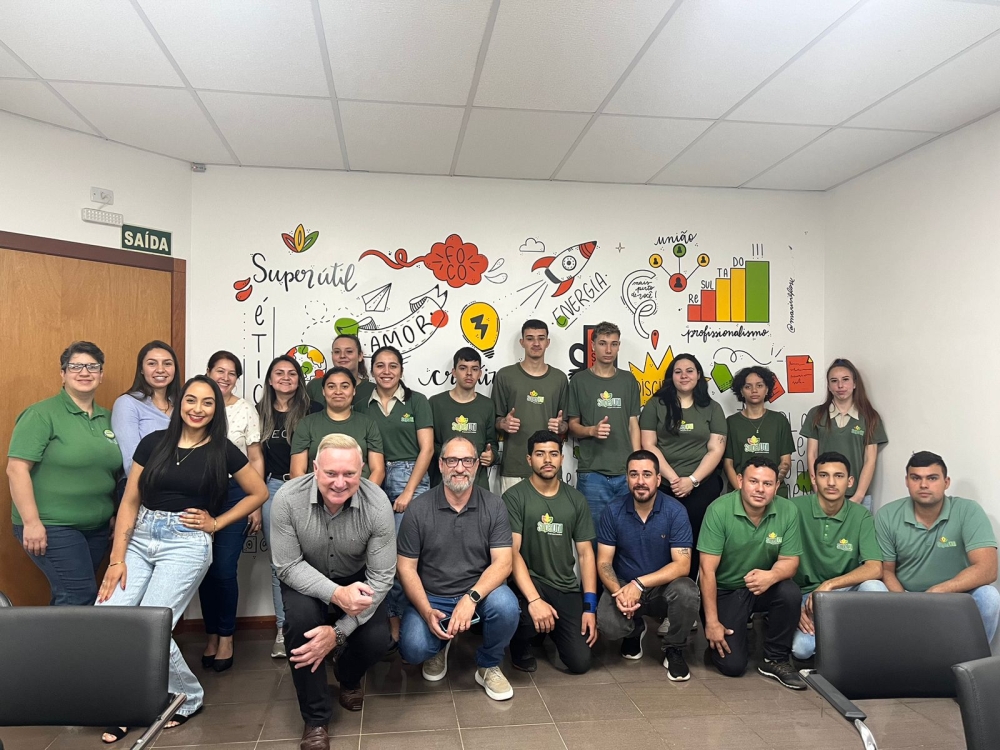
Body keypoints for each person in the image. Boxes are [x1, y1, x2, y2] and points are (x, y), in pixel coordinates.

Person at [97, 376, 268, 741]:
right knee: (110, 618)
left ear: (216, 410)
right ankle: (125, 702)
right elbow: (130, 501)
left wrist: (216, 523)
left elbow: (259, 492)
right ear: (179, 404)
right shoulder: (153, 442)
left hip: (186, 543)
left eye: (208, 402)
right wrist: (116, 559)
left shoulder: (223, 450)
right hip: (140, 537)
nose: (198, 409)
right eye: (191, 400)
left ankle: (186, 697)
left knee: (152, 627)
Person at [270, 434, 396, 749]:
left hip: (357, 577)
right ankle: (315, 719)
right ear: (315, 468)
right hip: (304, 575)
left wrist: (338, 633)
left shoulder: (378, 502)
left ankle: (347, 675)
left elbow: (381, 576)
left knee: (377, 638)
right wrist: (337, 595)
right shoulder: (287, 498)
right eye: (330, 473)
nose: (340, 483)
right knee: (300, 626)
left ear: (362, 470)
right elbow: (287, 566)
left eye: (349, 473)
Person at [397, 436, 519, 701]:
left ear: (476, 465)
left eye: (467, 461)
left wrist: (471, 598)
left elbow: (503, 563)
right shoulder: (418, 509)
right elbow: (405, 568)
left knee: (507, 606)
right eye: (452, 460)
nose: (460, 468)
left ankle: (488, 664)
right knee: (414, 649)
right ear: (441, 465)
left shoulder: (494, 505)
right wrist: (426, 610)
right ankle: (440, 644)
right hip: (432, 596)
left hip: (479, 593)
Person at [7, 341, 122, 606]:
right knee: (78, 595)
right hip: (51, 525)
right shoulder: (41, 414)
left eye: (92, 366)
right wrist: (32, 523)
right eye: (75, 366)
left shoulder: (109, 418)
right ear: (63, 374)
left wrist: (115, 513)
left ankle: (57, 635)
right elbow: (16, 469)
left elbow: (117, 471)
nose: (85, 372)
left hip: (97, 529)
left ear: (101, 375)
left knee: (74, 596)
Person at [698, 457, 805, 689]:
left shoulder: (788, 510)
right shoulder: (718, 510)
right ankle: (726, 634)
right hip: (726, 590)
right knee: (733, 666)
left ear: (776, 486)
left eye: (767, 484)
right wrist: (712, 622)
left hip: (762, 585)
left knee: (789, 591)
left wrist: (772, 576)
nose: (760, 489)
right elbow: (707, 571)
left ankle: (775, 658)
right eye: (753, 481)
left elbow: (790, 562)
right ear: (740, 481)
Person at [596, 450, 700, 680]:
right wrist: (619, 593)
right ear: (627, 478)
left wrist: (639, 584)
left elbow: (682, 565)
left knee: (687, 592)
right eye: (634, 474)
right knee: (608, 626)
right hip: (624, 586)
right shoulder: (613, 510)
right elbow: (603, 562)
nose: (640, 481)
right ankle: (634, 631)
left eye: (647, 474)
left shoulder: (675, 511)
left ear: (658, 479)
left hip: (662, 588)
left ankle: (674, 648)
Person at [355, 345, 434, 643]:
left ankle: (412, 621)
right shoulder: (362, 402)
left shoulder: (417, 401)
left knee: (405, 557)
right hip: (373, 476)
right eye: (380, 365)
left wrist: (409, 492)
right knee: (378, 556)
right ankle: (390, 620)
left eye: (393, 366)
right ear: (372, 370)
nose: (386, 371)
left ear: (401, 370)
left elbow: (427, 449)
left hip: (409, 476)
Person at [875, 451, 999, 641]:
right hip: (905, 595)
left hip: (956, 596)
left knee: (989, 596)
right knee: (873, 586)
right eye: (916, 478)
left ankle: (974, 659)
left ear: (946, 482)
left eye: (932, 478)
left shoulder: (968, 510)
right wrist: (907, 603)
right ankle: (887, 656)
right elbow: (886, 570)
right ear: (907, 481)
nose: (924, 485)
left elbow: (988, 569)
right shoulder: (887, 515)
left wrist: (937, 592)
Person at [503, 430, 597, 674]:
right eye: (540, 454)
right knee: (521, 616)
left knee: (580, 663)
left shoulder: (576, 499)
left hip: (565, 587)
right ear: (529, 459)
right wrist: (535, 600)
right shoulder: (514, 497)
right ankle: (522, 645)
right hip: (529, 582)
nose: (547, 460)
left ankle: (548, 628)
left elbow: (586, 554)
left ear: (562, 459)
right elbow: (512, 552)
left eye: (553, 454)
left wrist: (589, 607)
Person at [199, 350, 266, 672]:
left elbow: (255, 457)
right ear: (208, 372)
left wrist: (256, 503)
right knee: (202, 568)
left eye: (231, 373)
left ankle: (226, 636)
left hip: (235, 494)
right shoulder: (197, 406)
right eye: (219, 371)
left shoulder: (245, 410)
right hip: (199, 495)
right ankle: (211, 635)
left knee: (224, 569)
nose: (225, 378)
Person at [791, 452, 885, 661]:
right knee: (801, 650)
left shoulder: (861, 515)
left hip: (845, 592)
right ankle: (842, 641)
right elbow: (778, 561)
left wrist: (829, 585)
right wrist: (792, 608)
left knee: (875, 587)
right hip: (807, 597)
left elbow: (875, 568)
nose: (831, 483)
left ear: (850, 481)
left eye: (839, 476)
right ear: (814, 478)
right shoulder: (794, 508)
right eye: (824, 475)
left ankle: (861, 652)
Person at [257, 354, 322, 659]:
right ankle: (284, 630)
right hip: (272, 489)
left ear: (300, 379)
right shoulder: (258, 412)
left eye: (292, 373)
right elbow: (254, 459)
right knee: (280, 564)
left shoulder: (314, 410)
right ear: (270, 380)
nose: (285, 378)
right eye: (279, 373)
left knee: (316, 559)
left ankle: (316, 628)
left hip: (311, 488)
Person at [640, 353, 726, 579]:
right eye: (678, 372)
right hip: (663, 485)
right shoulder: (655, 405)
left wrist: (692, 480)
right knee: (661, 539)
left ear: (698, 375)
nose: (684, 376)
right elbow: (648, 445)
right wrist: (674, 480)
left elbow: (716, 449)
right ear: (671, 377)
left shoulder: (712, 408)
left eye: (689, 371)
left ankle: (692, 593)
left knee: (698, 541)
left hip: (702, 486)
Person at [567, 321, 641, 533]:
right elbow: (572, 425)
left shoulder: (628, 380)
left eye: (613, 344)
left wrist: (636, 465)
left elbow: (633, 424)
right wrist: (591, 430)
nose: (608, 349)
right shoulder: (579, 381)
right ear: (593, 346)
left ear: (618, 346)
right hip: (592, 473)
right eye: (603, 343)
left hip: (625, 472)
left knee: (629, 534)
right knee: (592, 535)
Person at [492, 320, 568, 495]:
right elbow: (493, 420)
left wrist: (561, 426)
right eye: (530, 338)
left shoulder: (560, 379)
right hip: (514, 466)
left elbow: (566, 424)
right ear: (522, 342)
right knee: (511, 514)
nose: (536, 343)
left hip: (549, 468)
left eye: (541, 338)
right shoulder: (505, 375)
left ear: (548, 342)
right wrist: (503, 423)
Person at [802, 358, 887, 511]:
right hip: (823, 495)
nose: (840, 385)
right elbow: (811, 455)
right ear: (829, 386)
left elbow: (870, 460)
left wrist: (859, 496)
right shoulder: (816, 414)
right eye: (834, 381)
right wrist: (818, 490)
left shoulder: (870, 417)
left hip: (857, 497)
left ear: (854, 383)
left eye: (845, 380)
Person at [290, 368, 384, 484]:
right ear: (323, 391)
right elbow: (296, 472)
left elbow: (378, 470)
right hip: (316, 492)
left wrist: (364, 494)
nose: (338, 392)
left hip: (360, 491)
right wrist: (316, 494)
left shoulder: (368, 423)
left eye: (345, 386)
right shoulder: (306, 423)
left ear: (354, 390)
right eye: (331, 387)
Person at [428, 347, 498, 489]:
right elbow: (428, 444)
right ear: (454, 372)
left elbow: (492, 443)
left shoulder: (487, 405)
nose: (469, 373)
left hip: (477, 484)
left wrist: (491, 456)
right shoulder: (436, 403)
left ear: (480, 373)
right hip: (443, 483)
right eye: (463, 368)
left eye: (474, 369)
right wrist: (452, 456)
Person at [111, 340, 180, 477]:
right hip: (143, 485)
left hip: (183, 483)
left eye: (167, 364)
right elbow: (131, 464)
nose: (160, 369)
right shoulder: (127, 403)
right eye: (152, 363)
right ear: (141, 369)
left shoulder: (183, 405)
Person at [724, 367, 794, 497]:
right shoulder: (731, 423)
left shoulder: (779, 420)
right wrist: (742, 491)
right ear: (741, 391)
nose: (754, 390)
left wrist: (769, 487)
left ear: (767, 389)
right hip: (739, 491)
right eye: (748, 386)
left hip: (775, 493)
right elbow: (728, 464)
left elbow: (785, 461)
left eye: (759, 385)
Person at [306, 334, 375, 409]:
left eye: (349, 351)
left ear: (360, 356)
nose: (342, 356)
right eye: (337, 352)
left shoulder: (373, 390)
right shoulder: (315, 386)